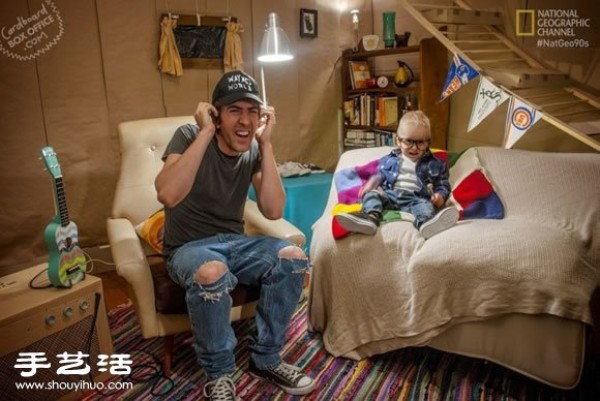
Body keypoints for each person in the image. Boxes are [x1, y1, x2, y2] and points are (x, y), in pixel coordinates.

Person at [155, 70, 315, 401]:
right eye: (234, 110)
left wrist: (266, 143)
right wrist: (205, 133)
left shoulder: (254, 148)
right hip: (188, 249)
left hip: (236, 243)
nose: (245, 120)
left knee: (294, 259)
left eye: (252, 111)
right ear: (215, 113)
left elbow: (272, 210)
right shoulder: (188, 135)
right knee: (212, 271)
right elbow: (168, 194)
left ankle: (266, 358)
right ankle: (219, 373)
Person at [336, 110, 459, 239]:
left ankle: (426, 224)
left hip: (416, 199)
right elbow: (380, 174)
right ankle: (370, 218)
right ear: (398, 140)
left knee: (426, 206)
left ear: (428, 142)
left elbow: (442, 184)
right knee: (372, 194)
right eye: (408, 141)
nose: (414, 148)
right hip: (390, 195)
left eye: (420, 142)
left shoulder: (435, 163)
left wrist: (440, 195)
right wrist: (373, 181)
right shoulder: (389, 160)